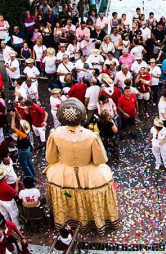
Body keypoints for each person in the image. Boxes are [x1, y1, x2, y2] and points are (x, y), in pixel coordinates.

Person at [44, 98, 120, 234]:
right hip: (89, 175)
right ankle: (95, 222)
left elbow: (50, 158)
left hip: (63, 174)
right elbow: (99, 160)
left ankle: (68, 220)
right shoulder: (91, 136)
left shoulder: (55, 134)